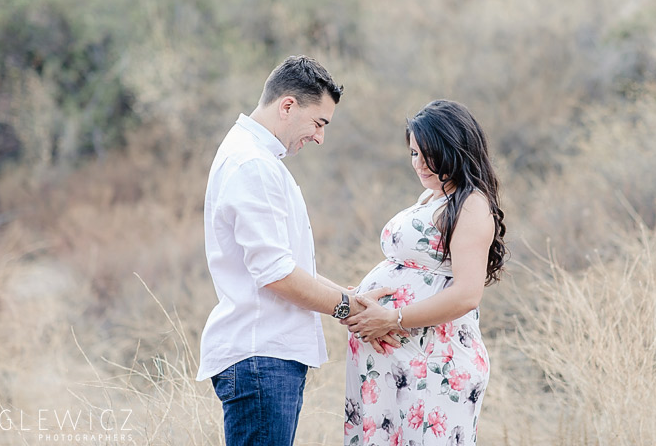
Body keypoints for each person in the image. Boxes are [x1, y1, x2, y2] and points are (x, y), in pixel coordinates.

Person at [196, 55, 396, 446]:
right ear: (288, 105)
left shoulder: (255, 158)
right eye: (319, 123)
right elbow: (276, 274)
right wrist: (349, 308)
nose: (320, 137)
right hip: (260, 359)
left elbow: (288, 264)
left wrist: (351, 297)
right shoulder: (252, 164)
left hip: (265, 359)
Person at [341, 99, 508, 446]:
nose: (420, 164)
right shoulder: (431, 197)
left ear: (456, 148)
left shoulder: (471, 204)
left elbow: (466, 294)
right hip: (400, 362)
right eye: (414, 153)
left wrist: (393, 318)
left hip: (435, 363)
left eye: (430, 153)